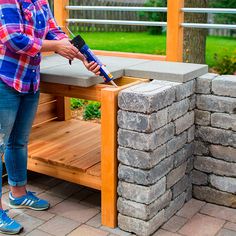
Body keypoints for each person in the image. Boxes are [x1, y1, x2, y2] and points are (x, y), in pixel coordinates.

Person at [0, 0, 101, 234]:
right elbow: (13, 38)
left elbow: (55, 31)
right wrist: (55, 46)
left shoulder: (40, 1)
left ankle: (19, 194)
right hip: (4, 79)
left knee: (18, 141)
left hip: (29, 80)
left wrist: (83, 56)